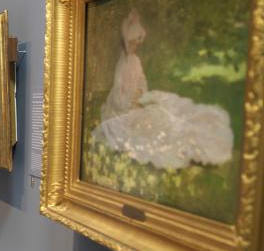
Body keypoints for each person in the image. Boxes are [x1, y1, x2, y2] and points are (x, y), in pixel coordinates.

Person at [92, 9, 233, 169]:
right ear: (127, 42)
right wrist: (132, 102)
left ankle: (196, 133)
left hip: (138, 103)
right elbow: (118, 98)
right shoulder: (122, 65)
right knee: (157, 125)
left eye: (137, 43)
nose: (135, 46)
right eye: (132, 43)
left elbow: (142, 82)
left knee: (168, 110)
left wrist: (142, 95)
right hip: (125, 111)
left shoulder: (135, 61)